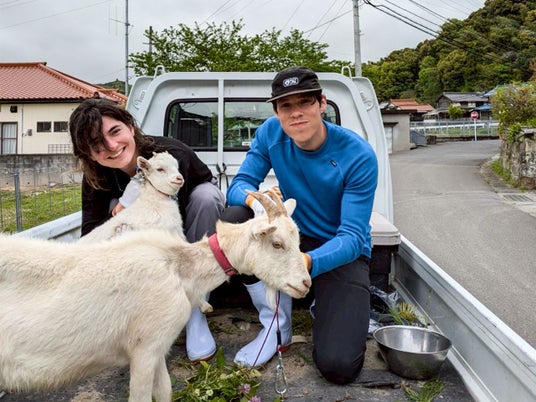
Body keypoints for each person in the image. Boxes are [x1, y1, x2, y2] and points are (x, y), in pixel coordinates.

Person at [224, 66, 378, 384]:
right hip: (296, 236)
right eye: (286, 106)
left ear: (322, 103)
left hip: (341, 250)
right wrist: (258, 203)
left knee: (339, 366)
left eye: (305, 102)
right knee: (235, 218)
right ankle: (276, 325)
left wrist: (302, 263)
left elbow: (352, 237)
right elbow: (237, 186)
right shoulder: (271, 133)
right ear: (277, 112)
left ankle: (323, 301)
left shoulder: (358, 155)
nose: (296, 113)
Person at [69, 98, 225, 363]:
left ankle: (193, 310)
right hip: (145, 239)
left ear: (130, 126)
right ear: (89, 154)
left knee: (206, 198)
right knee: (113, 209)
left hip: (188, 215)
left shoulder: (168, 155)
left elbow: (172, 225)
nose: (112, 146)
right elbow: (92, 231)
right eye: (97, 144)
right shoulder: (97, 176)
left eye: (115, 131)